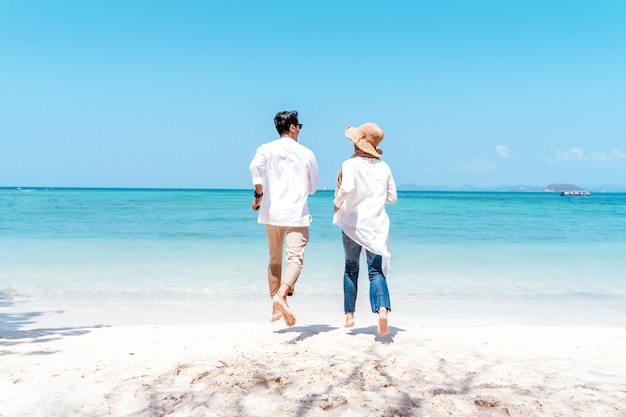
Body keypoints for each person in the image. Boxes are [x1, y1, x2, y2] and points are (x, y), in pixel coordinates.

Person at [249, 110, 319, 327]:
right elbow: (314, 188)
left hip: (272, 212)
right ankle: (281, 295)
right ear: (292, 128)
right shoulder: (306, 153)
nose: (299, 130)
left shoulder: (266, 149)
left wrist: (259, 194)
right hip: (296, 214)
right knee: (295, 260)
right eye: (299, 126)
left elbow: (254, 168)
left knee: (274, 260)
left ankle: (275, 309)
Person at [332, 122, 397, 336]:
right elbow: (392, 198)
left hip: (353, 224)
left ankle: (349, 315)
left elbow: (348, 187)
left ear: (358, 143)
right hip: (377, 226)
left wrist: (337, 202)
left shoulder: (350, 165)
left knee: (351, 269)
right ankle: (382, 312)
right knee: (376, 272)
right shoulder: (384, 167)